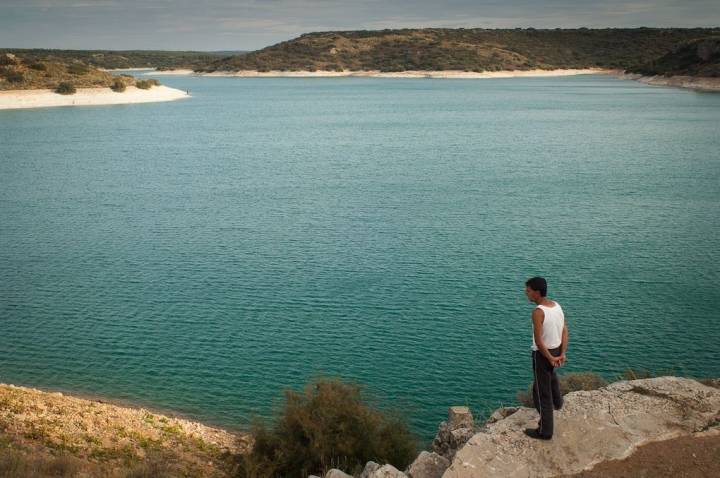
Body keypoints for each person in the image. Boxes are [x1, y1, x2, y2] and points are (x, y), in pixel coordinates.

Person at [524, 276, 569, 440]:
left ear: (536, 292)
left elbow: (538, 340)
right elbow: (564, 330)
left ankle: (545, 431)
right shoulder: (556, 306)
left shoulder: (538, 312)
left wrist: (549, 357)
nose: (526, 293)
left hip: (542, 355)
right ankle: (558, 402)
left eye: (528, 290)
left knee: (542, 393)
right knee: (549, 379)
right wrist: (561, 353)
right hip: (556, 349)